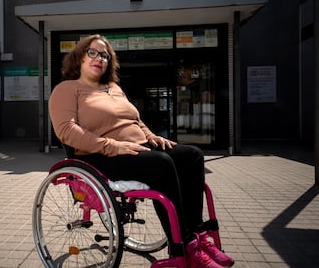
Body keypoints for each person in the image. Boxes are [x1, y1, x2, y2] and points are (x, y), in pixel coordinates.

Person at [49, 34, 234, 268]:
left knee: (192, 155)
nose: (99, 58)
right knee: (161, 163)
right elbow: (66, 130)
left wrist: (152, 137)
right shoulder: (67, 89)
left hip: (137, 147)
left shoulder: (113, 88)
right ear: (79, 57)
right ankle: (183, 247)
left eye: (105, 55)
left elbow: (135, 120)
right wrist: (113, 146)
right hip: (100, 155)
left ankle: (197, 238)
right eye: (92, 52)